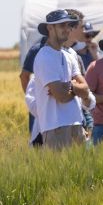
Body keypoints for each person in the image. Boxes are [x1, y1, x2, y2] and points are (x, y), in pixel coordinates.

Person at [32, 9, 96, 149]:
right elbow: (61, 96)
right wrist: (73, 88)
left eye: (69, 25)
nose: (67, 29)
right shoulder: (44, 56)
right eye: (62, 25)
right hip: (55, 127)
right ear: (50, 28)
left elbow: (85, 89)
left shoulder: (69, 56)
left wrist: (69, 87)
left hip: (77, 124)